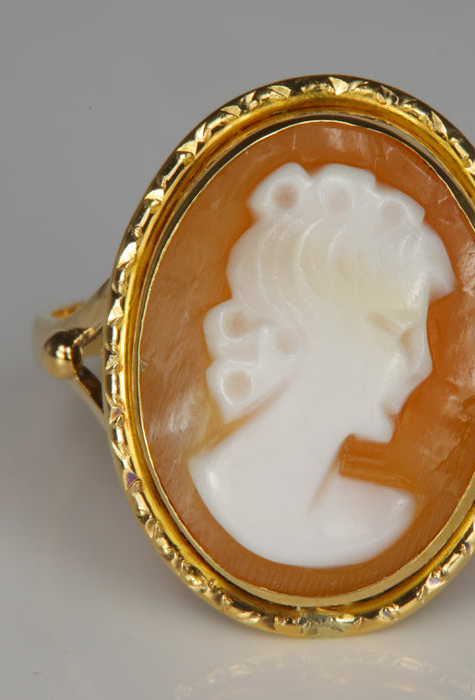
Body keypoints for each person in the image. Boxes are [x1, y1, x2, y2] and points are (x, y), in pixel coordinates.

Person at [189, 162, 454, 567]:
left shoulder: (384, 513)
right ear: (294, 328)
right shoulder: (207, 488)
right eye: (392, 329)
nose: (421, 366)